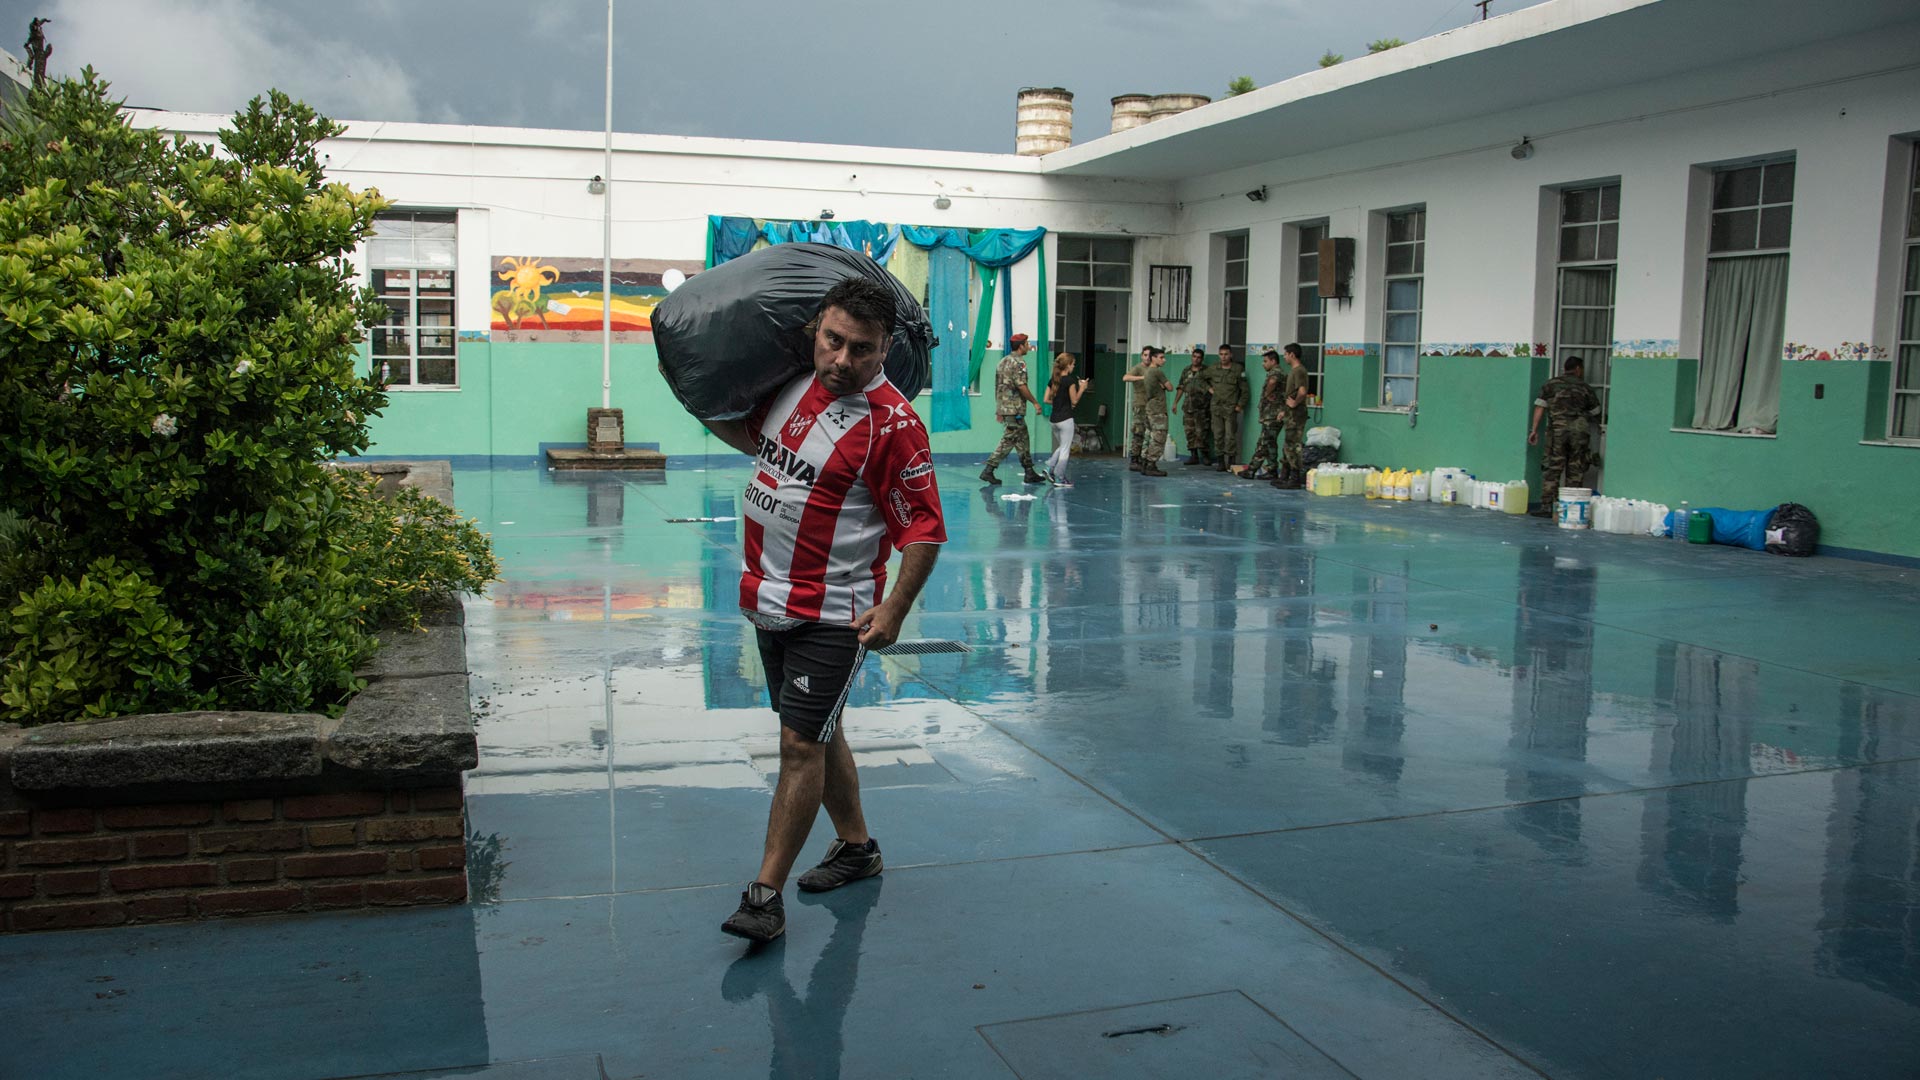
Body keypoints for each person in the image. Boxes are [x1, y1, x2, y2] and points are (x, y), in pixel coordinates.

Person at [699, 277, 948, 944]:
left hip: (833, 612)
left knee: (799, 743)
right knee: (820, 728)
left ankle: (765, 895)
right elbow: (755, 442)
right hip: (768, 600)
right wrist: (695, 391)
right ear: (817, 329)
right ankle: (858, 848)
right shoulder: (791, 387)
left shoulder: (893, 426)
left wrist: (895, 605)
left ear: (886, 349)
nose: (842, 361)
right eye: (833, 341)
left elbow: (923, 527)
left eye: (861, 351)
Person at [1529, 356, 1602, 516]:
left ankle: (1547, 507)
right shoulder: (1585, 387)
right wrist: (1601, 426)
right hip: (1579, 432)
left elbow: (1540, 407)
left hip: (1557, 432)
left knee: (1553, 468)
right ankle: (1571, 508)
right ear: (1577, 369)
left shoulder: (1551, 385)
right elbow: (1596, 412)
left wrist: (1534, 430)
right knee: (1575, 468)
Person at [980, 334, 1045, 485]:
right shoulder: (1019, 363)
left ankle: (1029, 471)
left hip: (1005, 408)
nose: (1029, 346)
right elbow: (1021, 386)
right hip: (1015, 409)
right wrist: (1035, 402)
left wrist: (999, 409)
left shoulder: (1002, 362)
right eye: (1027, 343)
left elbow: (998, 387)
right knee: (1009, 440)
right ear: (1021, 346)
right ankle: (988, 469)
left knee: (1023, 438)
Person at [1042, 352, 1088, 487]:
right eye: (1073, 364)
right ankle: (1059, 476)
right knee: (1065, 449)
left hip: (1054, 420)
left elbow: (1046, 399)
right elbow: (1074, 401)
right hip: (1066, 419)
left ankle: (1049, 468)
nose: (1074, 367)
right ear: (1068, 366)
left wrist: (1059, 402)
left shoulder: (1053, 380)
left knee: (1062, 446)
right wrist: (1082, 388)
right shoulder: (1070, 381)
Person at [1243, 348, 1285, 481]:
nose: (1263, 364)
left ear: (1273, 361)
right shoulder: (1275, 372)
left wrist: (1267, 394)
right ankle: (1272, 469)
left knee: (1263, 443)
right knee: (1271, 443)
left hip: (1272, 415)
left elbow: (1272, 383)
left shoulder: (1276, 372)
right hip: (1270, 415)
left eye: (1265, 361)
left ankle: (1251, 470)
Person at [1274, 343, 1312, 490]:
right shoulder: (1293, 371)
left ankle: (1294, 477)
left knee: (1293, 445)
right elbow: (1291, 393)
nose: (1284, 357)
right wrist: (1284, 410)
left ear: (1292, 355)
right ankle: (1285, 475)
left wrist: (1294, 404)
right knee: (1287, 445)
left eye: (1285, 354)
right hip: (1291, 414)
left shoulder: (1299, 371)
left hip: (1297, 414)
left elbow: (1302, 391)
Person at [1206, 344, 1249, 471]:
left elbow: (1245, 390)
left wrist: (1240, 405)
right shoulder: (1213, 368)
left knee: (1230, 435)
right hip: (1216, 407)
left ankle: (1231, 460)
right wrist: (1209, 389)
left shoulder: (1237, 369)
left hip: (1230, 408)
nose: (1223, 357)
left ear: (1231, 355)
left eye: (1226, 354)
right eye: (1221, 354)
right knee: (1218, 434)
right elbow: (1200, 379)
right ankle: (1220, 461)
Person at [1173, 344, 1213, 467]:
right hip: (1188, 406)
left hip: (1202, 407)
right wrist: (1175, 402)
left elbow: (1212, 389)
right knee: (1189, 432)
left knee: (1202, 432)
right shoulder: (1186, 371)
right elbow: (1181, 387)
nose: (1196, 359)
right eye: (1194, 356)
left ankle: (1205, 456)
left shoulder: (1207, 371)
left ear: (1202, 359)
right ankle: (1193, 455)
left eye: (1199, 357)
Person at [1136, 348, 1173, 476]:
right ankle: (1151, 464)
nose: (1164, 360)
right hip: (1158, 409)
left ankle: (1145, 462)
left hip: (1149, 407)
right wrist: (1162, 385)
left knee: (1149, 436)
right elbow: (1170, 387)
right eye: (1161, 357)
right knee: (1159, 436)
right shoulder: (1157, 372)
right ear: (1153, 358)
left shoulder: (1147, 372)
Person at [1121, 347, 1155, 472]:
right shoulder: (1138, 368)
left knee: (1150, 433)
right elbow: (1125, 377)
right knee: (1138, 432)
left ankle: (1144, 457)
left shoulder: (1153, 369)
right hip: (1140, 404)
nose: (1147, 357)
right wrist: (1141, 378)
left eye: (1149, 355)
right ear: (1141, 356)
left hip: (1151, 404)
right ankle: (1134, 458)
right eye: (1145, 355)